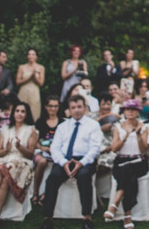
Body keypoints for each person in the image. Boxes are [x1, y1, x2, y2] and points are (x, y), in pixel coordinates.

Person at [41, 94, 103, 229]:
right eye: (73, 107)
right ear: (69, 109)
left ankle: (87, 218)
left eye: (79, 107)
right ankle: (48, 219)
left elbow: (95, 149)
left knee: (83, 176)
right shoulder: (63, 126)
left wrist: (81, 163)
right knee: (52, 178)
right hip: (65, 160)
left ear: (85, 107)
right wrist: (64, 163)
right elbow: (55, 148)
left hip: (85, 160)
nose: (77, 110)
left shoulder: (93, 125)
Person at [104, 99, 149, 228]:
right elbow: (114, 149)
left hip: (139, 160)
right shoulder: (118, 127)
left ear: (137, 112)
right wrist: (126, 136)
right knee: (128, 174)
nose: (130, 112)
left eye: (133, 109)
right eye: (127, 109)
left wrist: (139, 134)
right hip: (122, 160)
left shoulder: (144, 127)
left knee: (129, 170)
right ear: (124, 111)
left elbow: (143, 149)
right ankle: (127, 215)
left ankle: (114, 204)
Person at [32, 94, 63, 206]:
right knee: (42, 161)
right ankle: (35, 192)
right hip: (42, 151)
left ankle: (46, 194)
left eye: (55, 106)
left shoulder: (63, 122)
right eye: (50, 106)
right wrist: (42, 147)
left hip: (57, 152)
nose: (53, 109)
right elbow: (33, 141)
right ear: (45, 107)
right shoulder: (40, 122)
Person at [16, 48, 45, 120]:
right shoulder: (22, 67)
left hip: (34, 92)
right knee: (22, 110)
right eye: (29, 54)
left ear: (36, 57)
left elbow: (41, 83)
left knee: (34, 112)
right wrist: (29, 77)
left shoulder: (41, 67)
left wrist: (34, 76)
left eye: (33, 54)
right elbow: (18, 82)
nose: (31, 56)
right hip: (24, 91)